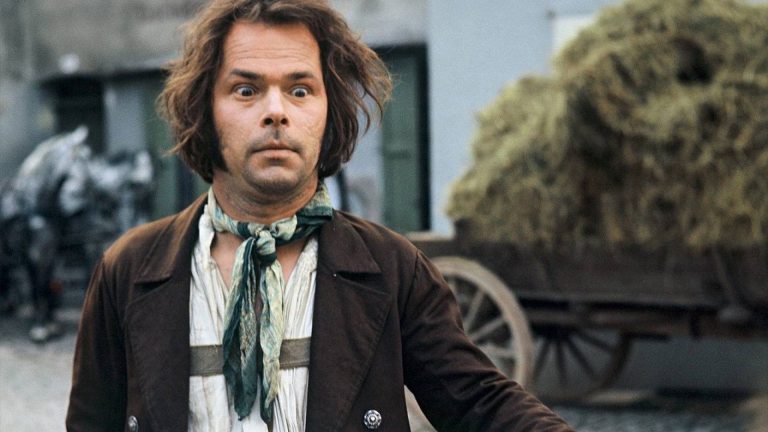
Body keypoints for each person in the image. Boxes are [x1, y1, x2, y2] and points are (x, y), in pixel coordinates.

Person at [67, 1, 574, 431]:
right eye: (245, 90)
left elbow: (480, 403)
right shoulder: (129, 270)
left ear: (329, 113)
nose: (276, 111)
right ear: (205, 111)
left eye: (300, 90)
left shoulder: (393, 268)